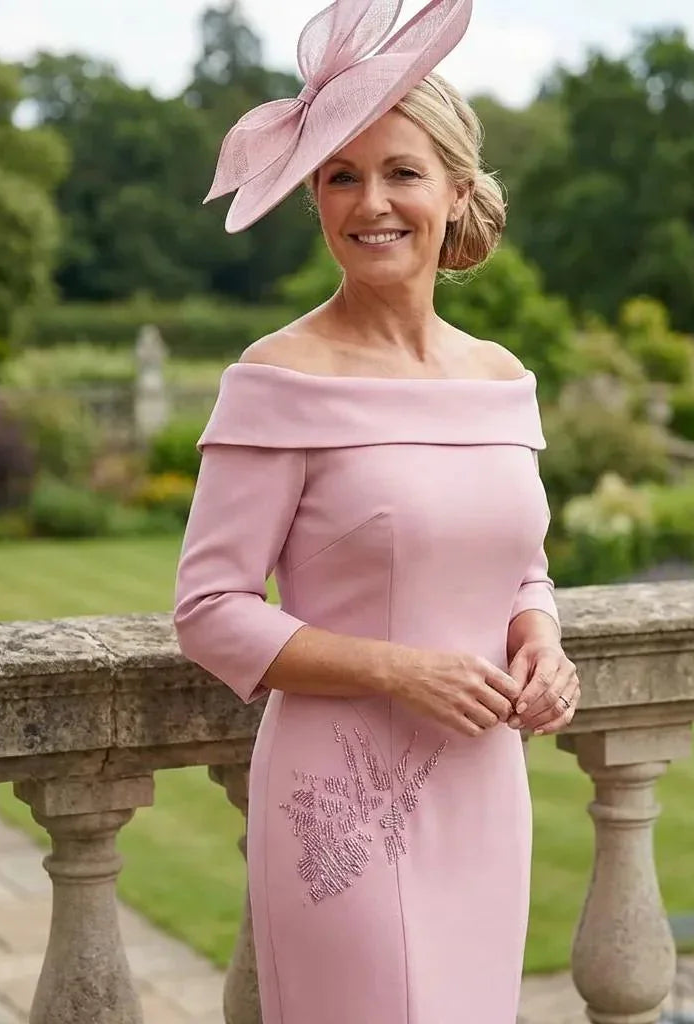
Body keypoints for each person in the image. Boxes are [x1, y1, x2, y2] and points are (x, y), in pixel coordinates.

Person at [174, 0, 581, 1020]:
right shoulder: (277, 378)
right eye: (340, 176)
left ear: (453, 188)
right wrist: (400, 669)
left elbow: (518, 564)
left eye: (400, 171)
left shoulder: (501, 379)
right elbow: (211, 607)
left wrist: (541, 636)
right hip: (343, 801)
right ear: (315, 198)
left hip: (484, 784)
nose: (370, 203)